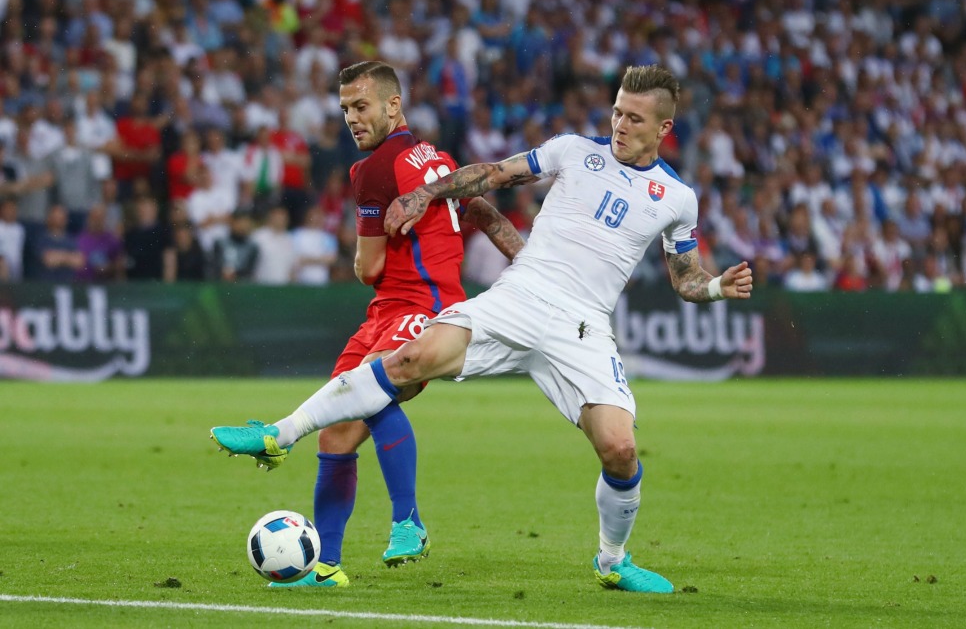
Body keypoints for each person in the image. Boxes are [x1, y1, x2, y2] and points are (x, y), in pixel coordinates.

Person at [211, 65, 753, 593]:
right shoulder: (573, 151)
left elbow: (685, 278)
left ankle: (613, 562)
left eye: (635, 118)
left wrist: (714, 288)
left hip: (583, 326)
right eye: (616, 112)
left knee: (620, 450)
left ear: (663, 129)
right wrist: (428, 194)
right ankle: (278, 434)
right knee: (407, 361)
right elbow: (492, 174)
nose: (620, 125)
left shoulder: (678, 199)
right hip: (519, 297)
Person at [215, 61, 524, 589]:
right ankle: (326, 566)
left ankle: (409, 521)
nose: (352, 118)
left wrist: (361, 262)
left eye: (361, 106)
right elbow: (485, 216)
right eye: (344, 110)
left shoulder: (374, 169)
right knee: (336, 432)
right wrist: (532, 266)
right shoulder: (436, 159)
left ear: (392, 105)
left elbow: (370, 268)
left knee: (373, 392)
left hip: (419, 307)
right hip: (389, 311)